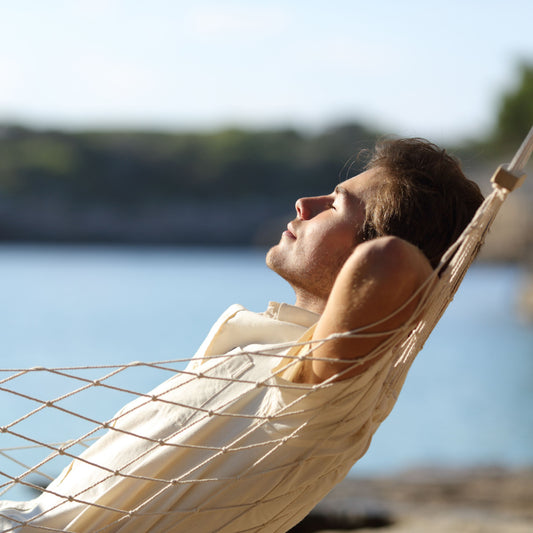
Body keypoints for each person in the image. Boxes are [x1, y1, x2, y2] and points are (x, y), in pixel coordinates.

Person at [0, 138, 484, 533]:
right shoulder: (275, 352)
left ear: (373, 239)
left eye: (336, 205)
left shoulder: (318, 392)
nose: (304, 204)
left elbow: (391, 263)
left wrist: (428, 270)